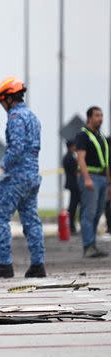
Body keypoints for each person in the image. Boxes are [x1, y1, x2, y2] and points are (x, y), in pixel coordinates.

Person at [0, 77, 46, 278]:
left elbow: (17, 147)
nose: (2, 105)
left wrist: (1, 169)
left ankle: (4, 264)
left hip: (16, 177)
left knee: (0, 217)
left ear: (10, 98)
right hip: (32, 176)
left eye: (3, 100)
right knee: (31, 220)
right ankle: (38, 264)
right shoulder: (33, 117)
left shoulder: (15, 117)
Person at [75, 106, 110, 258]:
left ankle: (93, 245)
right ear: (89, 118)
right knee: (88, 213)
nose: (100, 118)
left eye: (101, 115)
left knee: (97, 213)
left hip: (102, 178)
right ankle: (88, 246)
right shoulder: (83, 135)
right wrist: (87, 178)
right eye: (97, 115)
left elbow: (106, 162)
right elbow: (81, 158)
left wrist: (109, 182)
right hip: (91, 177)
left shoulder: (101, 136)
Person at [62, 139, 79, 234]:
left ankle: (72, 226)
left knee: (73, 205)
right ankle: (71, 226)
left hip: (73, 185)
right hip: (74, 185)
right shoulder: (69, 158)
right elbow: (75, 171)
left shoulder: (69, 157)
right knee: (73, 206)